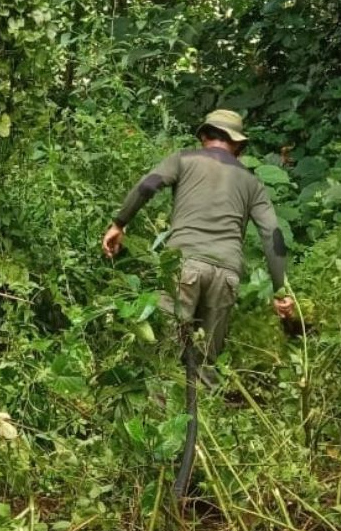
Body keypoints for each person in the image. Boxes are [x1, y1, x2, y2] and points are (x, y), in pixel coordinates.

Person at [102, 110, 295, 383]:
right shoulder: (253, 183)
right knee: (206, 363)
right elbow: (273, 235)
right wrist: (280, 291)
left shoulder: (183, 159)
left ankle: (162, 415)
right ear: (238, 145)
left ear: (204, 135)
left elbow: (148, 185)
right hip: (226, 273)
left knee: (164, 358)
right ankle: (205, 418)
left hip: (183, 264)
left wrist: (119, 223)